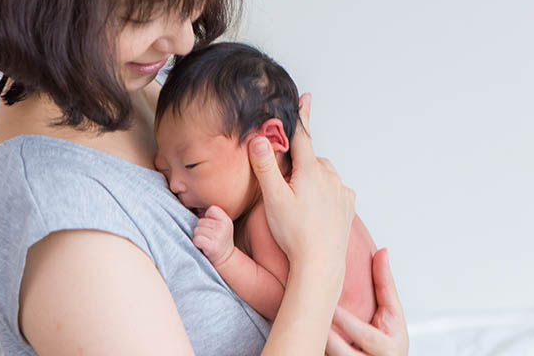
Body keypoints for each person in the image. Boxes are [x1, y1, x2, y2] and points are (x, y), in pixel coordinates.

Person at [0, 0, 409, 354]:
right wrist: (320, 265)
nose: (185, 42)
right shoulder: (68, 225)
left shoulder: (133, 87)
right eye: (145, 12)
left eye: (189, 0)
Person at [154, 42, 378, 338]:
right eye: (163, 169)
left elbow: (282, 302)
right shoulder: (317, 193)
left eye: (192, 165)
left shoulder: (270, 218)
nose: (174, 185)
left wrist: (226, 256)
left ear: (270, 140)